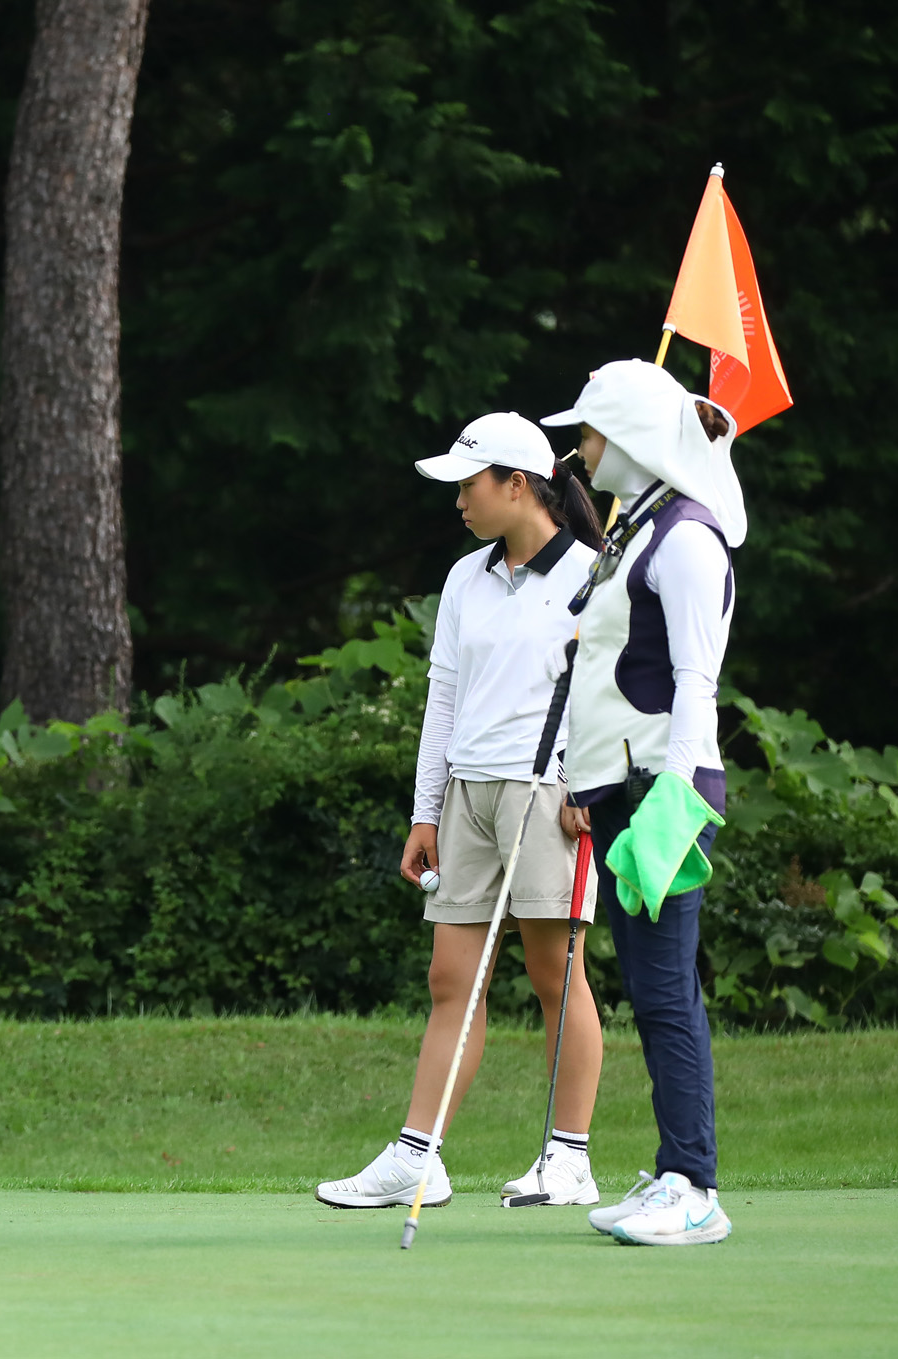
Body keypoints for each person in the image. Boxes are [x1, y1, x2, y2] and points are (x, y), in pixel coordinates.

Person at [316, 412, 605, 1211]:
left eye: (468, 484)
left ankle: (568, 1157)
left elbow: (609, 695)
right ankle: (418, 1155)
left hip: (550, 796)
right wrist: (426, 809)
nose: (458, 500)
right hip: (470, 791)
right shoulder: (464, 578)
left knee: (556, 972)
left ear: (518, 484)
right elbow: (444, 699)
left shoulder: (592, 573)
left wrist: (589, 783)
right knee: (452, 977)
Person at [540, 359, 741, 1246]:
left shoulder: (688, 538)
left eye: (588, 431)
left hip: (663, 791)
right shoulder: (642, 526)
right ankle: (673, 1170)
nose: (579, 448)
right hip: (624, 791)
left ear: (626, 435)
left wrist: (675, 795)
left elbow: (697, 679)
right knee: (654, 989)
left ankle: (692, 1184)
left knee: (664, 992)